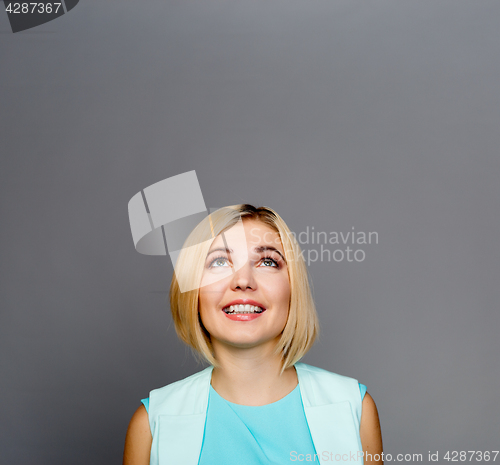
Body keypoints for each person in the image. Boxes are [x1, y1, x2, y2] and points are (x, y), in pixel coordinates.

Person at [123, 204, 383, 465]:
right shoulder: (152, 423)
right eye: (219, 261)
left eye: (268, 261)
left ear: (293, 288)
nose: (243, 280)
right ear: (193, 292)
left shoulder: (354, 408)